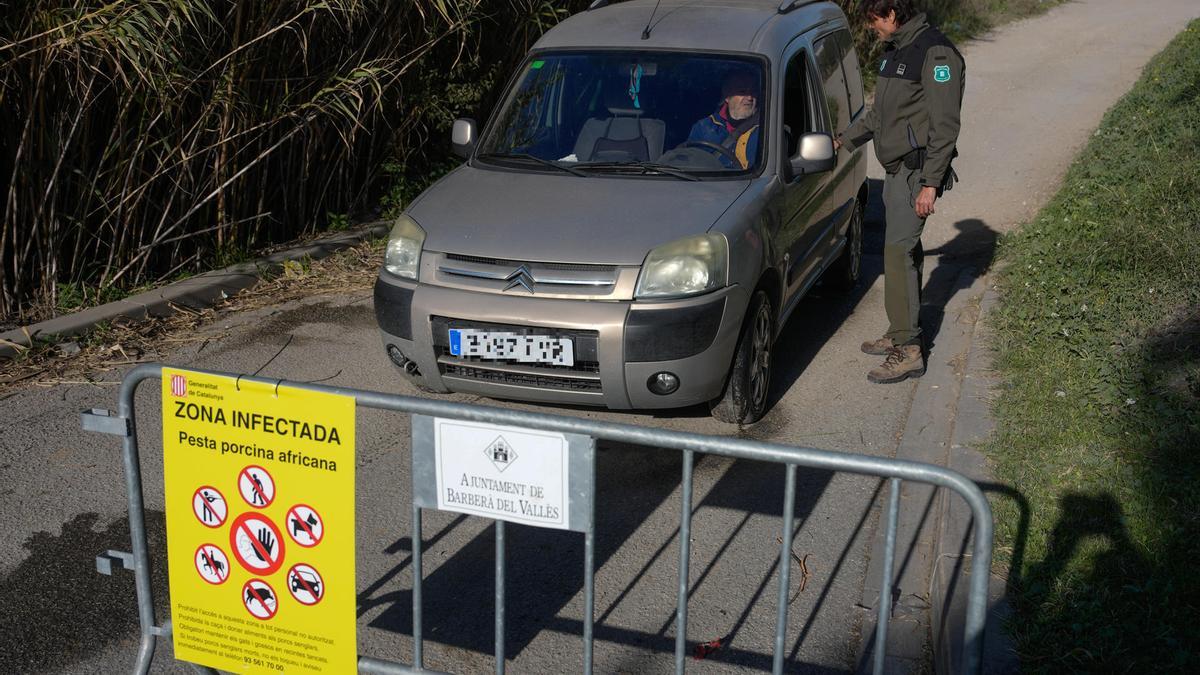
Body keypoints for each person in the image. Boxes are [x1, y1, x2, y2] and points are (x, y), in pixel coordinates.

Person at [834, 0, 964, 383]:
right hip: (896, 173)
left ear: (891, 14)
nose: (871, 28)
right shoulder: (897, 52)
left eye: (874, 20)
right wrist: (844, 140)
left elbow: (945, 126)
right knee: (903, 251)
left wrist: (930, 184)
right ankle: (900, 330)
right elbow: (879, 116)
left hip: (916, 173)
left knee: (897, 251)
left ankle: (908, 350)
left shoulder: (935, 53)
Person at [687, 69, 761, 170]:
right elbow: (691, 167)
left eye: (753, 92)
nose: (749, 97)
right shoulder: (703, 128)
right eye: (742, 91)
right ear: (727, 96)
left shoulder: (766, 128)